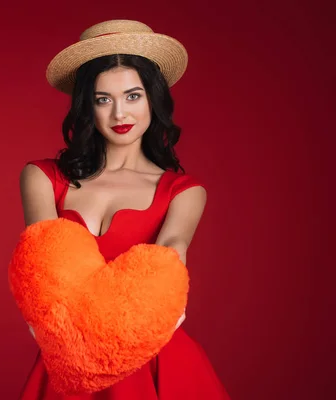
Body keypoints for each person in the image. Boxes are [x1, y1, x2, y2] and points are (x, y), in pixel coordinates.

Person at [16, 20, 230, 399]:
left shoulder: (183, 191)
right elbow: (41, 277)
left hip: (157, 364)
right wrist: (67, 342)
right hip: (69, 364)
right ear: (87, 106)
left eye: (133, 96)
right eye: (103, 99)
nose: (119, 114)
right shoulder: (43, 178)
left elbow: (171, 256)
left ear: (153, 99)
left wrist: (157, 307)